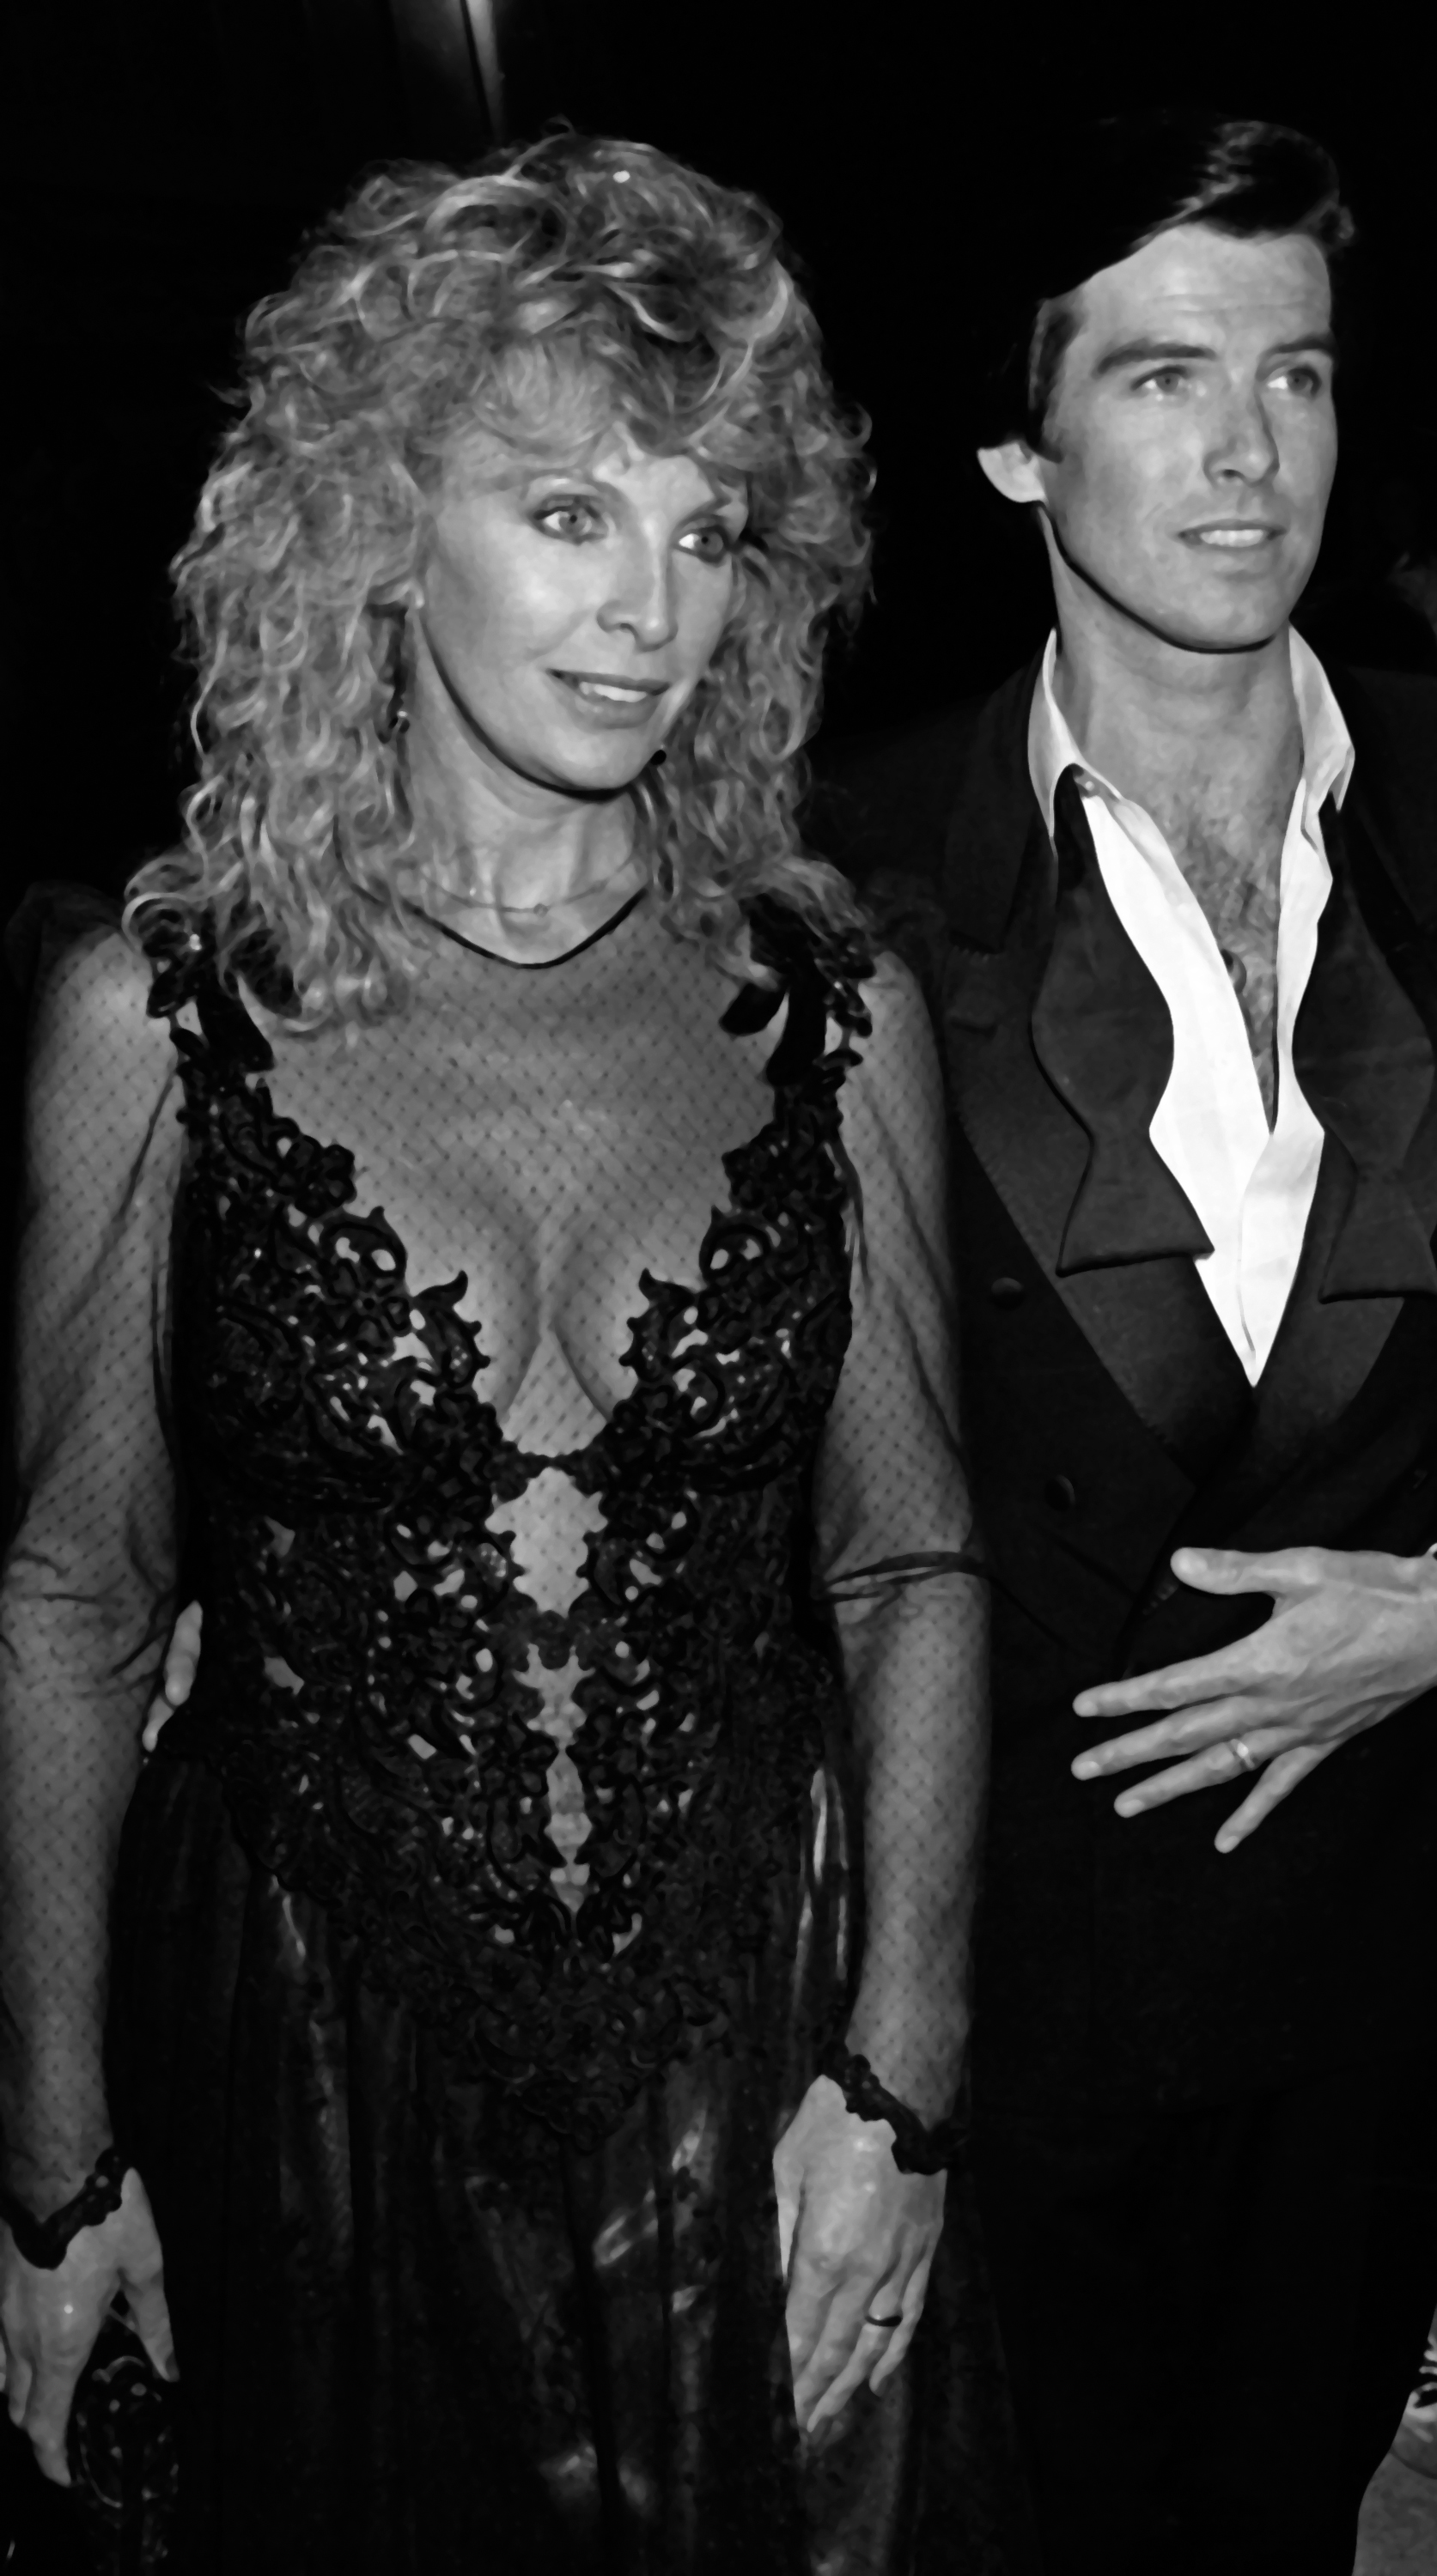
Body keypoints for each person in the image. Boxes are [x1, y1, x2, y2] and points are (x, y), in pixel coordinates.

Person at [0, 134, 1023, 2573]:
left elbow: (915, 1571)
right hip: (297, 2065)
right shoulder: (159, 1024)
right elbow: (71, 1599)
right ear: (378, 526)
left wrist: (905, 2082)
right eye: (570, 513)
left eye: (707, 529)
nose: (649, 604)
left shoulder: (830, 1012)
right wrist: (48, 2165)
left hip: (750, 2039)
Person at [805, 112, 1437, 2573]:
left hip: (1384, 1900)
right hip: (1011, 1928)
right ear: (1021, 439)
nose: (1248, 456)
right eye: (1164, 377)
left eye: (1300, 379)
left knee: (1272, 2510)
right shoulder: (853, 873)